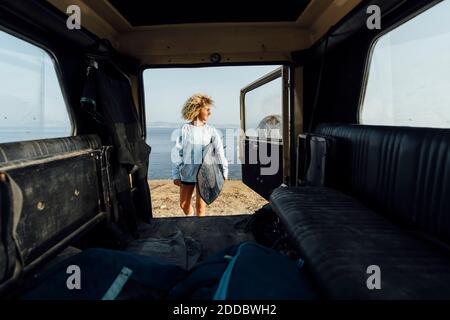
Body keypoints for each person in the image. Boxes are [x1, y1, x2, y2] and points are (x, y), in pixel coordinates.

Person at [171, 93, 228, 217]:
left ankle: (198, 230)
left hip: (205, 173)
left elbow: (219, 152)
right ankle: (191, 219)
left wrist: (224, 171)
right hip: (187, 173)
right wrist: (176, 174)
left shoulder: (211, 130)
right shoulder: (184, 129)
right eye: (207, 109)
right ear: (197, 109)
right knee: (184, 204)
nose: (210, 113)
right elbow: (177, 153)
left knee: (201, 207)